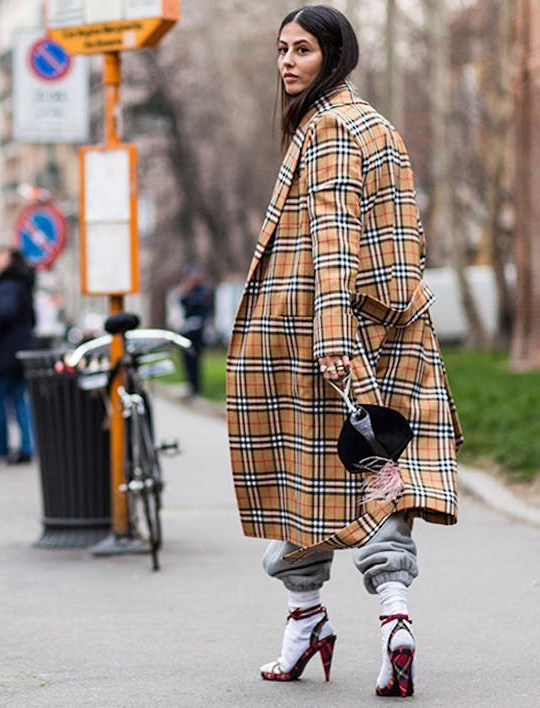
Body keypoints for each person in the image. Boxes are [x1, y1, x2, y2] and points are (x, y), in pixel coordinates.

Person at [225, 5, 461, 698]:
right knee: (374, 481)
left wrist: (333, 341)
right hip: (393, 333)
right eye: (281, 50)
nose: (287, 62)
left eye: (302, 49)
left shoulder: (327, 129)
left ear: (335, 54)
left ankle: (306, 619)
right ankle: (395, 622)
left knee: (302, 484)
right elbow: (402, 238)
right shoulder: (376, 124)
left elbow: (334, 236)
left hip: (322, 342)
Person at [0, 246, 36, 466]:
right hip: (21, 351)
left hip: (4, 353)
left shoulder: (7, 285)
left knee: (0, 402)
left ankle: (1, 448)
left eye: (0, 257)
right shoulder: (24, 283)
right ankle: (26, 447)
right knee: (20, 400)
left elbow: (5, 313)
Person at [178, 265, 213, 397]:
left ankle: (196, 387)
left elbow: (201, 306)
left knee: (195, 358)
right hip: (187, 330)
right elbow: (183, 304)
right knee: (187, 359)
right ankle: (190, 384)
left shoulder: (203, 290)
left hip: (198, 330)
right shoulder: (187, 290)